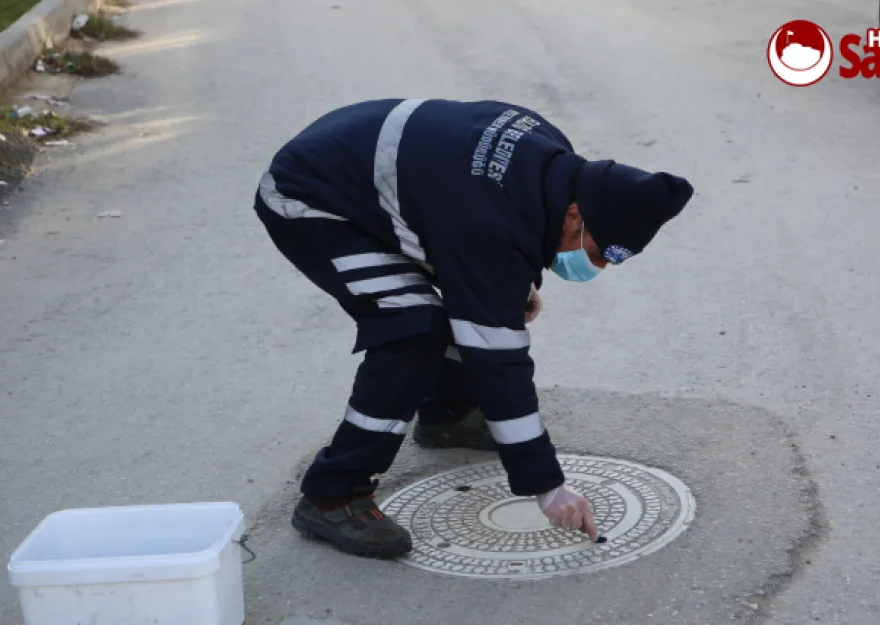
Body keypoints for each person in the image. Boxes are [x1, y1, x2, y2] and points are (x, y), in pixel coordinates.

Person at [252, 98, 694, 559]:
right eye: (603, 252)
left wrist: (516, 279)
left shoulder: (553, 161)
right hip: (311, 198)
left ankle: (449, 415)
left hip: (381, 183)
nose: (598, 266)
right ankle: (333, 493)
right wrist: (546, 486)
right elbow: (498, 357)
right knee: (412, 330)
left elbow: (494, 229)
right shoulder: (489, 220)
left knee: (475, 303)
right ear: (574, 215)